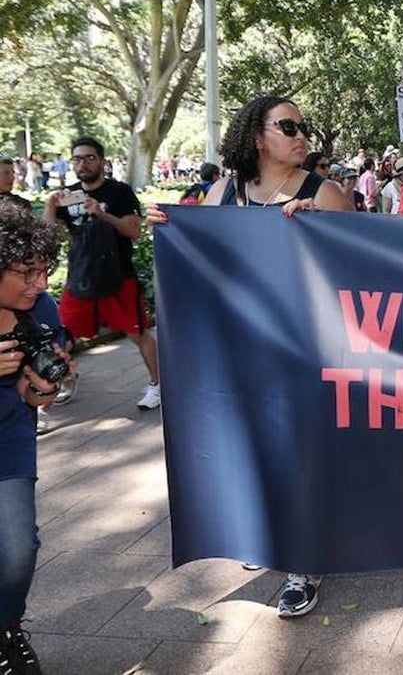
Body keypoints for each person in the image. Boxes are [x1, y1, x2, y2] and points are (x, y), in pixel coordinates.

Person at [148, 95, 352, 620]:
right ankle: (264, 536)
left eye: (304, 127)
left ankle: (303, 562)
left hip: (306, 350)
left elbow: (359, 267)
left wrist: (322, 230)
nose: (301, 135)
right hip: (242, 351)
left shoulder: (324, 193)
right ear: (257, 137)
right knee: (256, 450)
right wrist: (171, 229)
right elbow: (206, 260)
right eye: (288, 126)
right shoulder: (224, 192)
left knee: (299, 453)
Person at [0, 203, 71, 674]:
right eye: (27, 273)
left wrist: (42, 391)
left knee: (18, 547)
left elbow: (42, 387)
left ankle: (7, 628)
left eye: (44, 271)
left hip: (9, 437)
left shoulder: (41, 309)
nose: (40, 285)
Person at [44, 137, 161, 410]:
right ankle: (67, 377)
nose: (82, 163)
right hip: (81, 278)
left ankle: (157, 385)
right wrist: (50, 206)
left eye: (89, 158)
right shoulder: (67, 195)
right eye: (77, 158)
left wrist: (101, 214)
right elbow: (47, 237)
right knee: (61, 334)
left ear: (102, 161)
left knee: (138, 333)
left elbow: (133, 231)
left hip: (118, 277)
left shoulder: (119, 192)